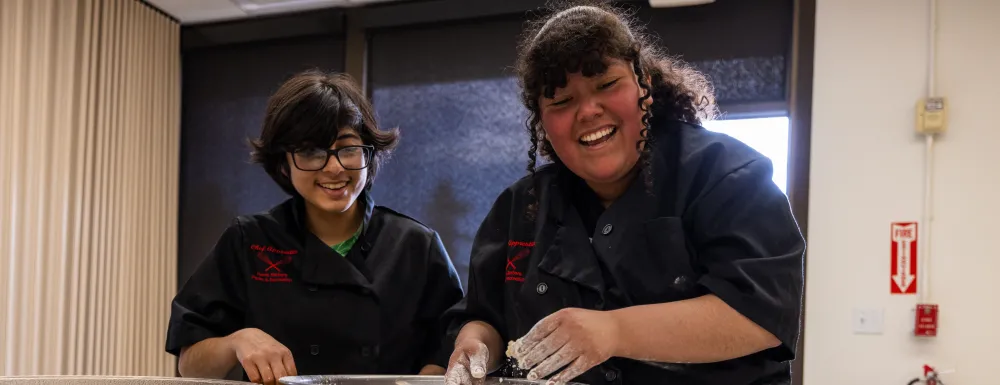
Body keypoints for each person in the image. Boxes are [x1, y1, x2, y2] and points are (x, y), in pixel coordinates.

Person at [440, 2, 805, 385]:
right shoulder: (521, 207)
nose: (588, 111)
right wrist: (475, 343)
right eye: (562, 101)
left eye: (607, 85)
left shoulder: (727, 176)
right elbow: (485, 316)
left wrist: (613, 331)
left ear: (644, 85)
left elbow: (759, 315)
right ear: (542, 123)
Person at [165, 70, 464, 385]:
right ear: (284, 163)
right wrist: (237, 341)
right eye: (311, 152)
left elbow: (449, 351)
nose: (333, 167)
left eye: (347, 148)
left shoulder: (416, 245)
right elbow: (191, 363)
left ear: (369, 153)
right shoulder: (249, 240)